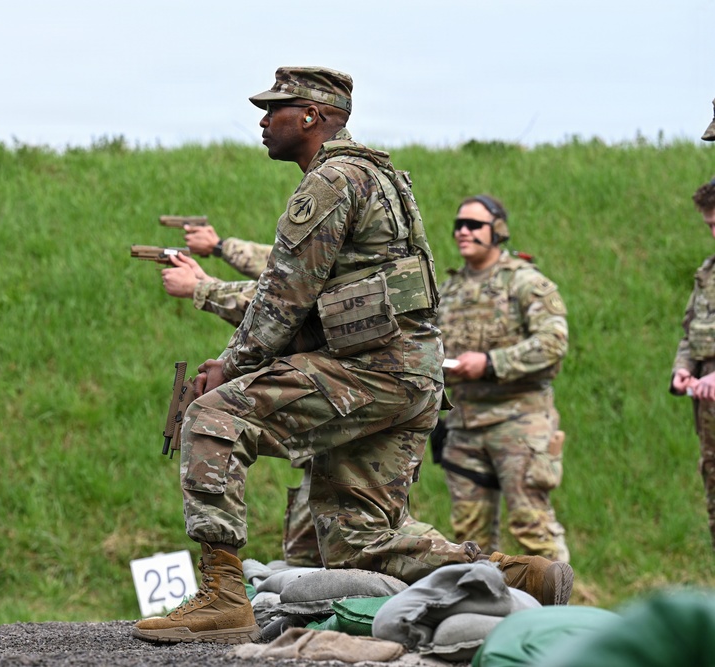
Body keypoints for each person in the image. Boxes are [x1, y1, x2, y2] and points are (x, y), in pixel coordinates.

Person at [133, 66, 573, 645]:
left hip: (370, 373)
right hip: (406, 376)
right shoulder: (378, 175)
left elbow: (282, 297)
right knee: (359, 543)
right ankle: (513, 574)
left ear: (312, 116)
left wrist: (229, 366)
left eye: (276, 111)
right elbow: (320, 297)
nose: (263, 122)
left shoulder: (330, 182)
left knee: (214, 416)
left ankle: (222, 596)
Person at [162, 242, 451, 567]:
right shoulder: (374, 234)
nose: (465, 232)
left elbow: (284, 307)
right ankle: (495, 569)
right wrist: (213, 266)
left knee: (354, 538)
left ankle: (222, 592)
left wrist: (203, 290)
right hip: (380, 383)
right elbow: (277, 288)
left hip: (365, 383)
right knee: (337, 546)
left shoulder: (338, 218)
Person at [437, 195, 570, 563]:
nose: (462, 231)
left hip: (519, 424)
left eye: (473, 225)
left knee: (534, 528)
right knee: (469, 541)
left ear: (497, 231)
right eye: (458, 224)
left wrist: (492, 363)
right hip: (464, 427)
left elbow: (553, 342)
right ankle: (483, 614)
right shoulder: (449, 291)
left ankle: (561, 616)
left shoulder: (526, 283)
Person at [670, 177, 715, 547]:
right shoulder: (709, 272)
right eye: (710, 226)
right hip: (707, 411)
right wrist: (683, 369)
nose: (714, 233)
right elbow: (690, 330)